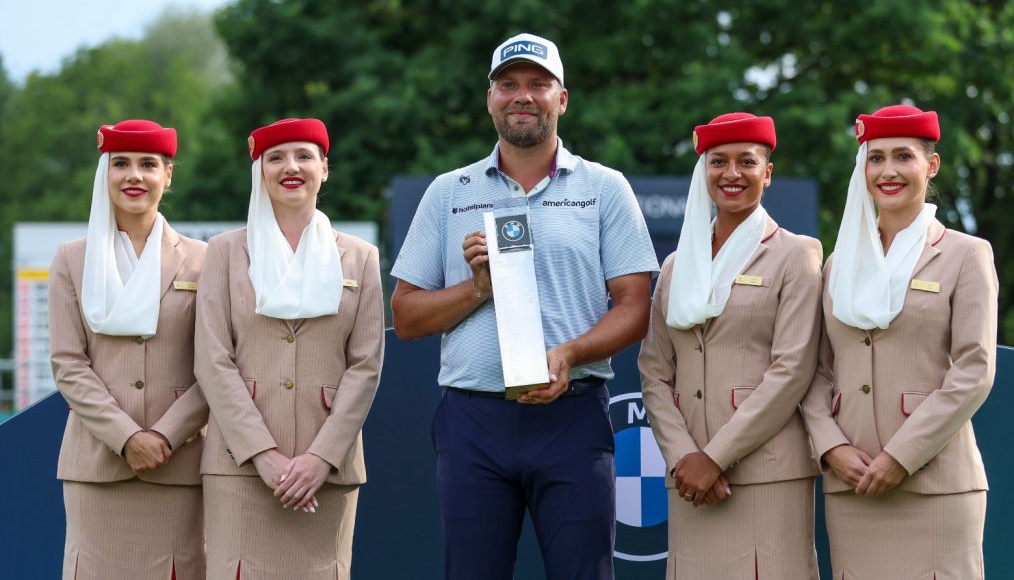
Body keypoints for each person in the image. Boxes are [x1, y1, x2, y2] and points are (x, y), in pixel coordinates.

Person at [390, 32, 659, 579]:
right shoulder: (450, 191)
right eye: (508, 84)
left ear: (562, 99)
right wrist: (477, 289)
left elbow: (635, 306)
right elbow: (405, 316)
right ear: (490, 98)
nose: (523, 95)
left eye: (539, 84)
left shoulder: (605, 188)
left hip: (574, 416)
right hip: (474, 419)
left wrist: (570, 353)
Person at [802, 105, 997, 578]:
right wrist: (830, 447)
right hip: (853, 483)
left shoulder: (966, 255)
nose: (888, 171)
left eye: (903, 157)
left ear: (931, 166)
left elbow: (974, 369)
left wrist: (901, 456)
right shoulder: (837, 265)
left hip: (936, 483)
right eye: (875, 158)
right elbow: (816, 370)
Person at [194, 118, 384, 579]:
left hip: (328, 470)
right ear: (259, 172)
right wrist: (262, 453)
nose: (290, 167)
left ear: (325, 168)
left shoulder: (360, 256)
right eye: (275, 158)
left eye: (304, 156)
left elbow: (366, 364)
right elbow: (213, 360)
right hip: (238, 468)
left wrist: (321, 456)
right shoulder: (223, 252)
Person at [639, 113, 822, 579]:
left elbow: (792, 370)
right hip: (690, 479)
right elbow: (655, 371)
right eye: (718, 162)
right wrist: (684, 457)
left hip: (765, 473)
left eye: (747, 162)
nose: (732, 174)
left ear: (768, 172)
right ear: (704, 172)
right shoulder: (678, 266)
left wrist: (714, 457)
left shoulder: (796, 253)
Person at [50, 119, 209, 579]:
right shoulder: (72, 259)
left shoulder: (204, 259)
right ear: (105, 173)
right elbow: (68, 363)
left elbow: (217, 364)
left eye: (148, 165)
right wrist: (126, 436)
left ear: (169, 175)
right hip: (98, 464)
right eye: (120, 164)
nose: (134, 176)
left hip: (178, 464)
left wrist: (163, 436)